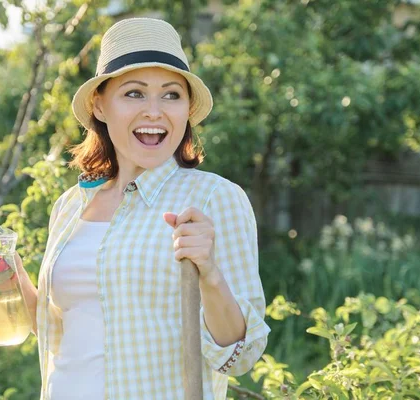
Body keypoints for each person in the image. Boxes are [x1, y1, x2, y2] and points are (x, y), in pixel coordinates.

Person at [14, 17, 271, 400]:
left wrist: (210, 272)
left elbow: (239, 354)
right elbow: (64, 330)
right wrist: (10, 279)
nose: (155, 110)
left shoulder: (213, 198)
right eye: (134, 93)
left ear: (187, 109)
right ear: (100, 106)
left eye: (171, 95)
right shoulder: (70, 206)